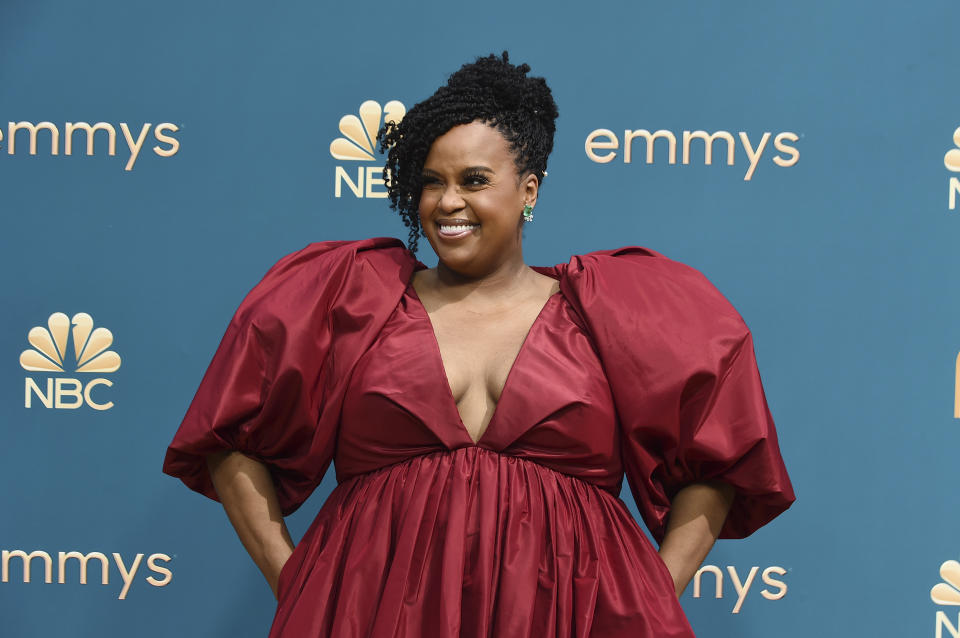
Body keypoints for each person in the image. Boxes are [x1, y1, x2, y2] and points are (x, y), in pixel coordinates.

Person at [163, 52, 794, 637]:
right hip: (372, 613)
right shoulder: (354, 295)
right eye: (432, 181)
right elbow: (232, 438)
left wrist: (654, 589)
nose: (448, 202)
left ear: (529, 190)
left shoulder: (607, 307)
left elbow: (719, 455)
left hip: (571, 615)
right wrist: (298, 581)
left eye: (474, 178)